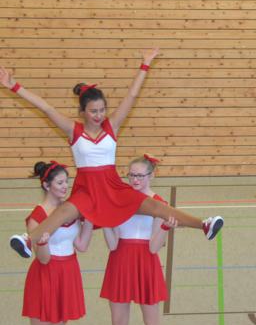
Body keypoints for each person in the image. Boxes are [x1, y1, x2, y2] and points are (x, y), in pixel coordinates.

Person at [2, 53, 223, 257]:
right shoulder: (73, 130)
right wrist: (14, 86)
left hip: (112, 186)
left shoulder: (112, 126)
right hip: (87, 189)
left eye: (102, 110)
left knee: (157, 208)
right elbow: (46, 108)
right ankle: (29, 240)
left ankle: (204, 225)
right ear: (82, 112)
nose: (98, 115)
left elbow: (132, 95)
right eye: (93, 111)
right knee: (63, 212)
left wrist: (145, 65)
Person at [100, 155, 175, 325]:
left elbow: (153, 247)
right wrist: (105, 220)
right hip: (119, 260)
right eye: (131, 175)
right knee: (118, 323)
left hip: (145, 261)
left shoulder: (158, 204)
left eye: (140, 175)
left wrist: (165, 228)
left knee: (152, 324)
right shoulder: (119, 200)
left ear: (151, 175)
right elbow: (112, 244)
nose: (135, 179)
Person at [22, 161, 93, 325]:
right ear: (46, 185)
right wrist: (41, 243)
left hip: (69, 272)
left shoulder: (70, 210)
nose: (65, 187)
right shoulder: (37, 217)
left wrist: (90, 221)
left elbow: (82, 246)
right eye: (60, 183)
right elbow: (43, 259)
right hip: (47, 275)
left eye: (67, 182)